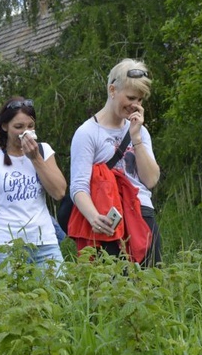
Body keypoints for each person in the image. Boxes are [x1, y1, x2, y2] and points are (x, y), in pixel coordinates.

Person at [68, 58, 162, 267]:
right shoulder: (87, 133)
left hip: (141, 215)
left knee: (152, 287)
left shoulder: (140, 131)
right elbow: (78, 186)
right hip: (107, 221)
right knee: (114, 292)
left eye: (139, 100)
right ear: (112, 90)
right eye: (130, 97)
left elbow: (151, 179)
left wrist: (136, 138)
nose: (134, 106)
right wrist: (94, 217)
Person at [0, 97, 67, 275]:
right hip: (8, 244)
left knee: (58, 296)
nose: (26, 132)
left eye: (30, 126)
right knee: (13, 301)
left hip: (44, 241)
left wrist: (36, 159)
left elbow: (59, 192)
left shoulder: (44, 151)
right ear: (5, 126)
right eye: (19, 127)